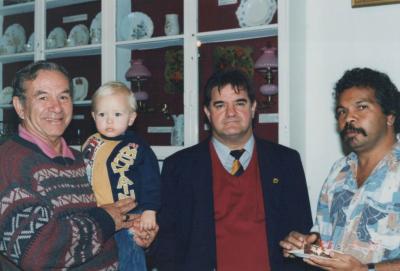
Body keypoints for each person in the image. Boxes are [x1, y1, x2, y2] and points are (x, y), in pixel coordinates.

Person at [0, 61, 157, 270]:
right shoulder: (9, 163)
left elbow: (109, 224)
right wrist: (107, 220)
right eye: (43, 97)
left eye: (63, 97)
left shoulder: (82, 158)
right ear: (20, 106)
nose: (56, 107)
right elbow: (38, 253)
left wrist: (137, 233)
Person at [152, 68, 313, 271]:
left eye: (240, 103)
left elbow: (303, 235)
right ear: (207, 112)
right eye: (220, 105)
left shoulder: (286, 162)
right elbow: (167, 246)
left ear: (253, 108)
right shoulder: (178, 167)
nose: (231, 113)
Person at [280, 67, 400, 271]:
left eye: (361, 107)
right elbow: (328, 249)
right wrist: (305, 247)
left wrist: (365, 270)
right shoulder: (339, 171)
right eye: (342, 111)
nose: (348, 119)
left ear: (389, 116)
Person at [82, 81, 161, 271]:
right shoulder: (90, 143)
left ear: (131, 118)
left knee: (130, 250)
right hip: (99, 213)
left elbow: (152, 180)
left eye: (117, 114)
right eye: (102, 114)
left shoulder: (137, 147)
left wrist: (150, 210)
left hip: (131, 214)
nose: (109, 120)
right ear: (93, 116)